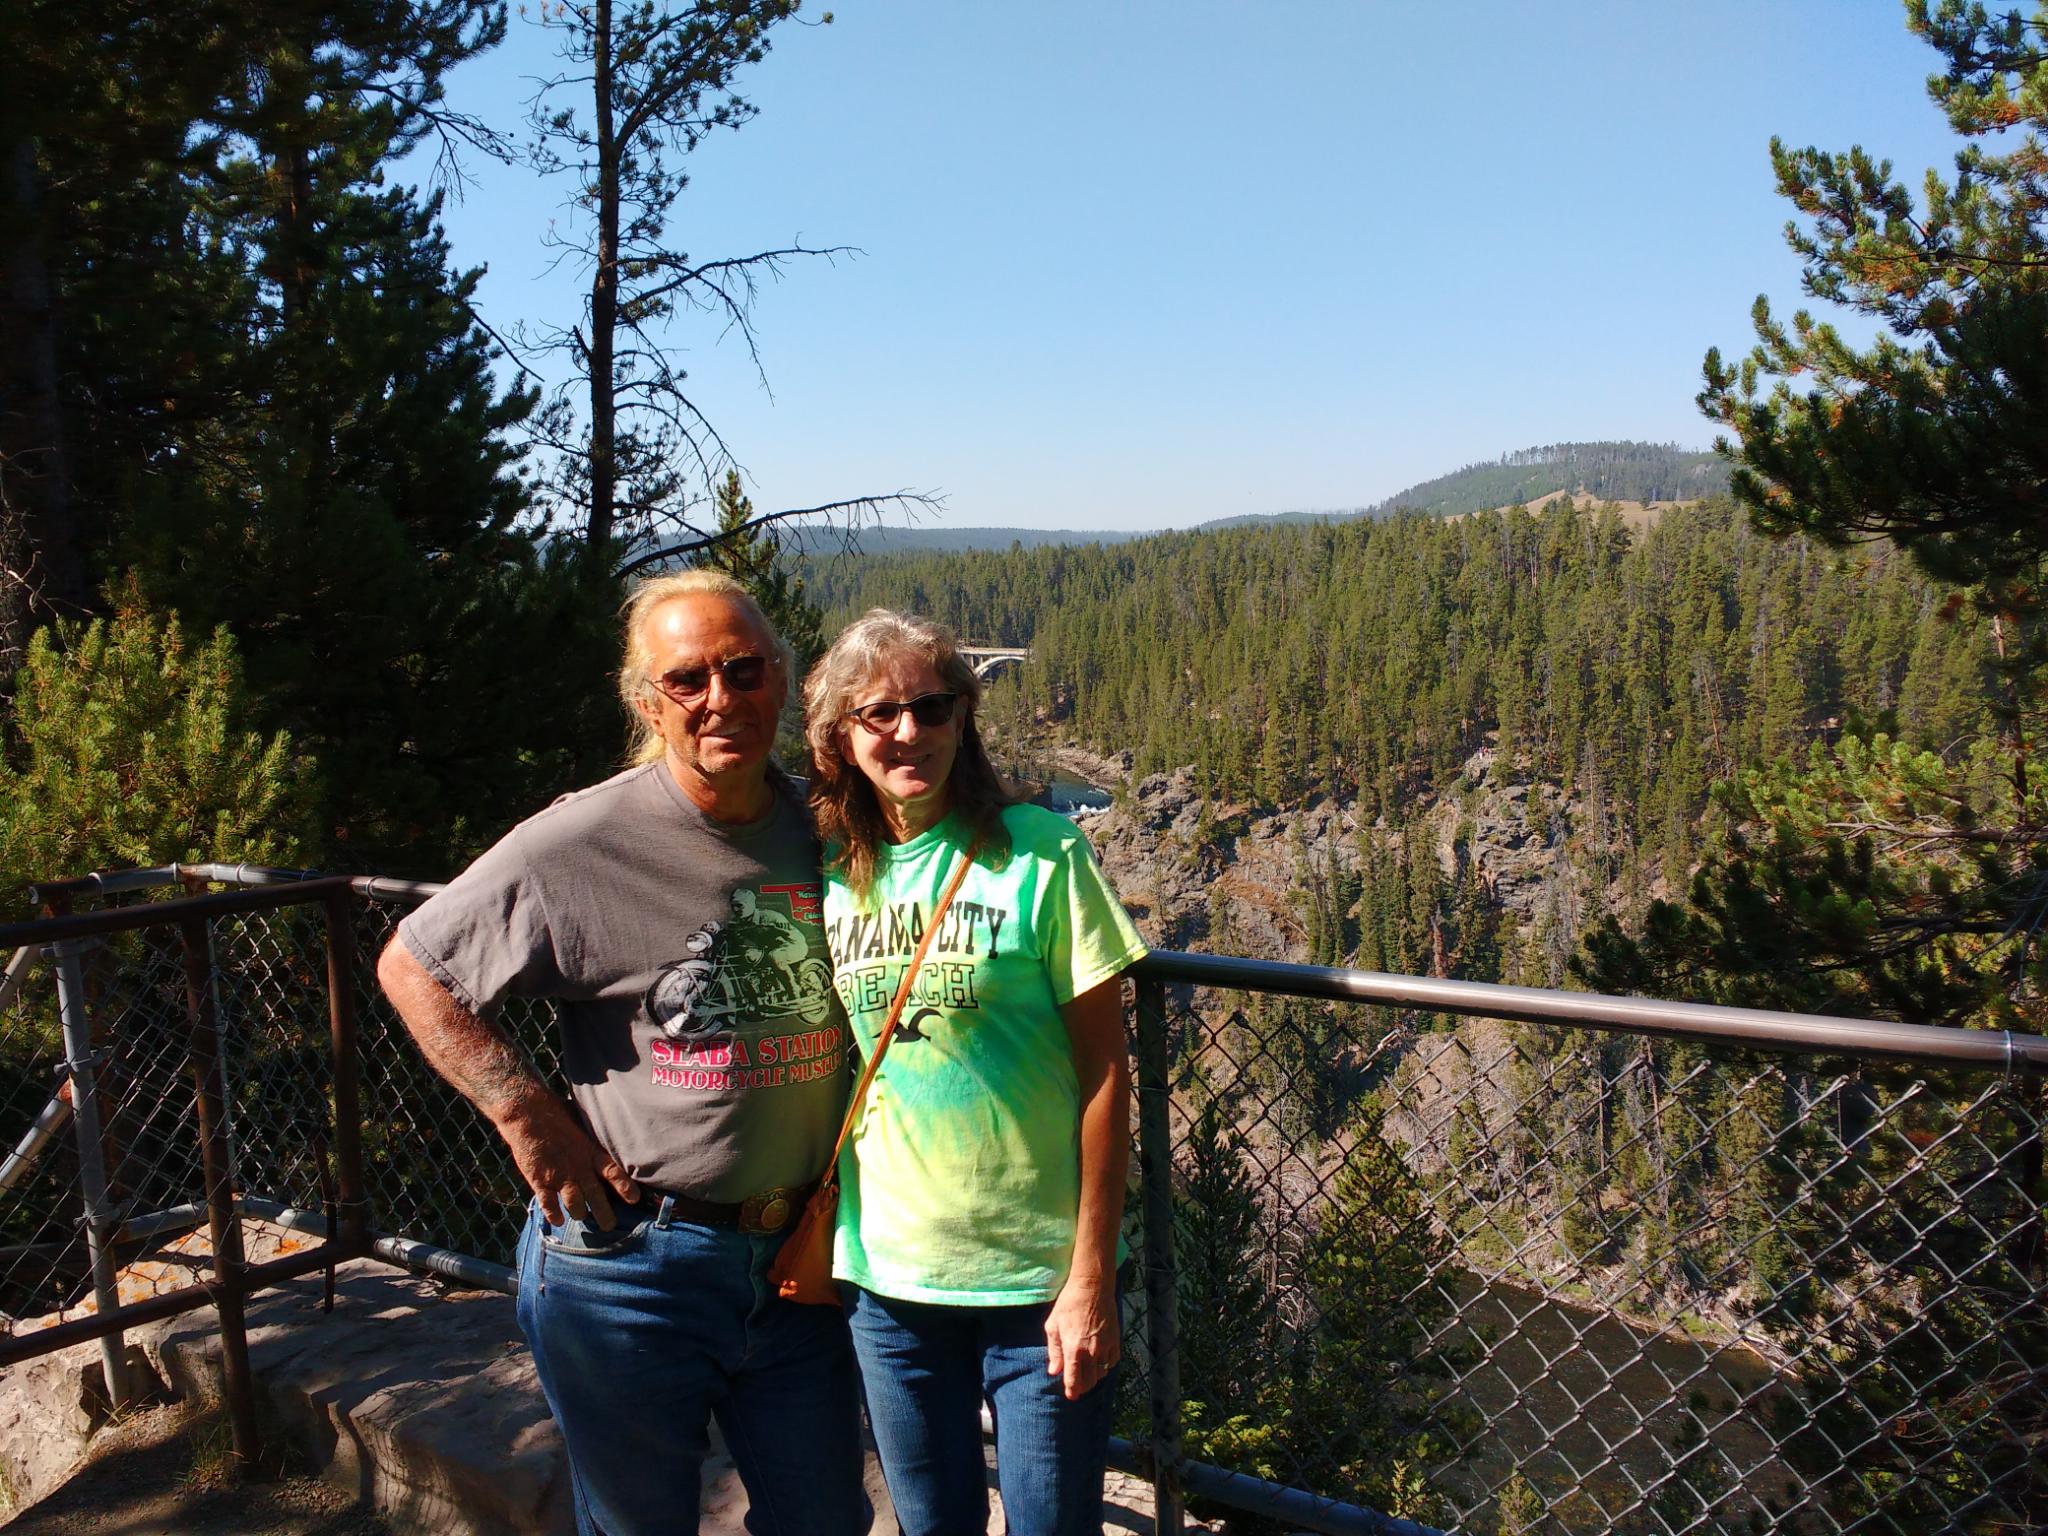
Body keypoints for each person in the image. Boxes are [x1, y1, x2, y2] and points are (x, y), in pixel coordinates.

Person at [377, 570, 870, 1536]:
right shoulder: (583, 839)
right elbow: (411, 965)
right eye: (688, 679)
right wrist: (527, 1117)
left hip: (801, 1261)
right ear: (647, 702)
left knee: (823, 1519)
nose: (721, 698)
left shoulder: (828, 826)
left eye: (746, 669)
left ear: (781, 679)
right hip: (633, 1265)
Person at [802, 609, 1147, 1536]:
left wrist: (1090, 1279)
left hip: (1038, 1286)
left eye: (931, 707)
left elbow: (1107, 1074)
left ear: (964, 718)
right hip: (889, 1283)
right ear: (841, 736)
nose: (908, 731)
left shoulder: (1042, 850)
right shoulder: (826, 872)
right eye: (878, 713)